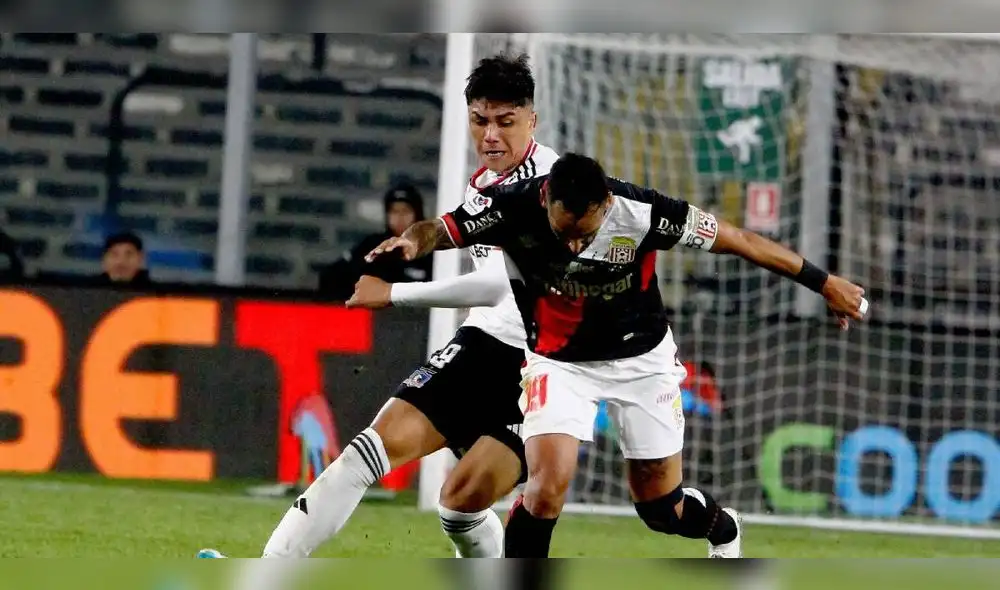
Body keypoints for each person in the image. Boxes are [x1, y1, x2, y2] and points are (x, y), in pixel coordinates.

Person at [362, 152, 869, 558]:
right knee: (545, 484)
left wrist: (823, 283)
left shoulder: (645, 212)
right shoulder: (511, 207)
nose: (577, 243)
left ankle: (724, 527)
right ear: (546, 199)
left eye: (587, 230)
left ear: (606, 202)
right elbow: (440, 228)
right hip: (559, 364)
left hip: (642, 362)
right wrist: (409, 244)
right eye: (566, 232)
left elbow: (738, 240)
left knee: (660, 510)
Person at [199, 53, 559, 566]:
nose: (491, 136)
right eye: (480, 121)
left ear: (531, 121)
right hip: (483, 345)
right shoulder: (481, 185)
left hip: (544, 364)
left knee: (459, 504)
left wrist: (395, 294)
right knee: (366, 451)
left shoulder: (552, 188)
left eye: (506, 122)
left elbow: (502, 285)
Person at [317, 182, 432, 300]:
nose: (399, 218)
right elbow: (333, 275)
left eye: (405, 211)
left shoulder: (429, 251)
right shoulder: (373, 245)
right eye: (394, 211)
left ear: (417, 214)